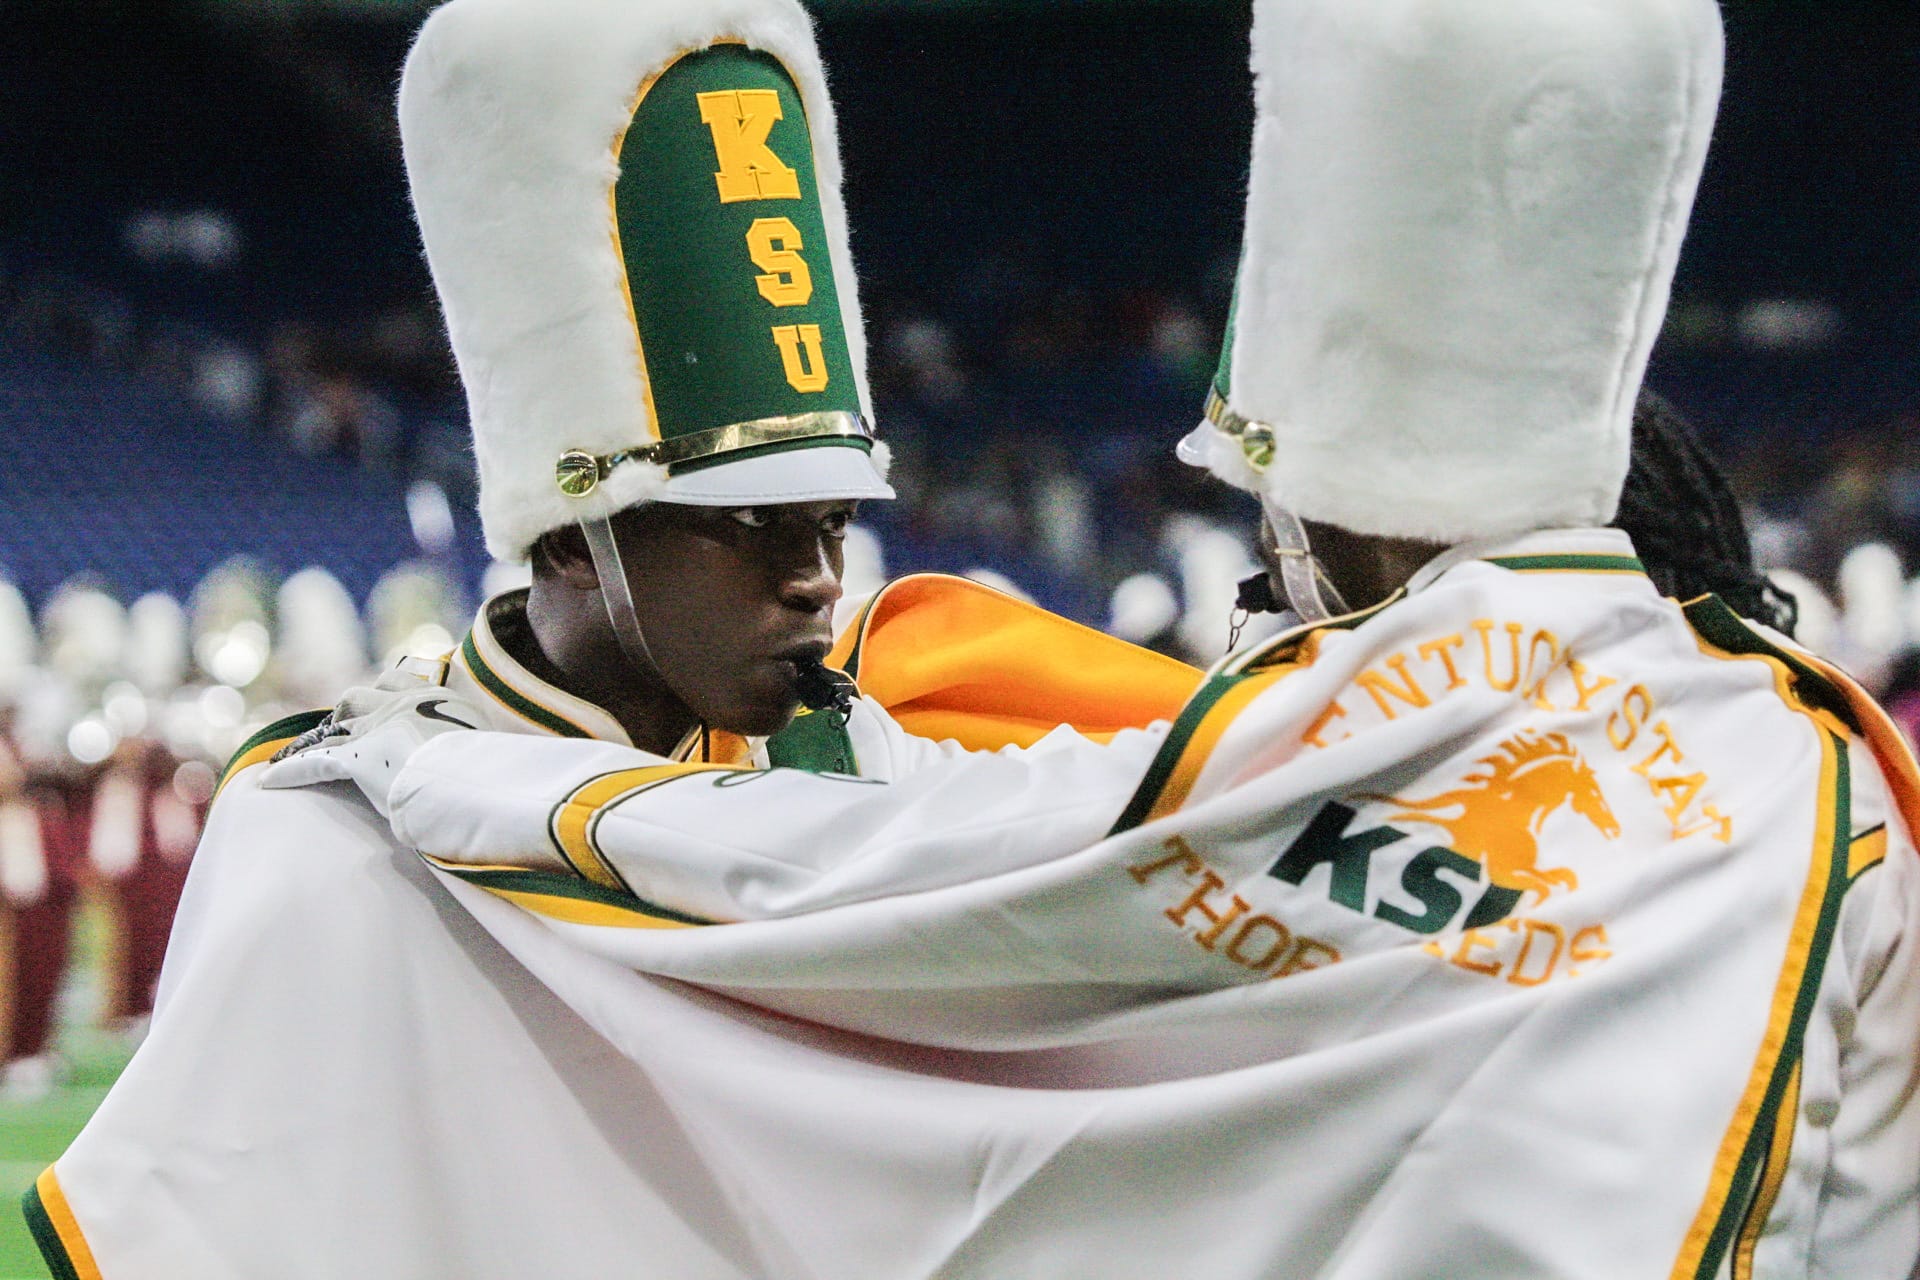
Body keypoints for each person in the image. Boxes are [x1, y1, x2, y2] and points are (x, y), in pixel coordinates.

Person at [264, 0, 1920, 1276]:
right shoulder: (1823, 759)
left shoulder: (1361, 716)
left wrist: (432, 773)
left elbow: (877, 885)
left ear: (1325, 503)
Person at [25, 1, 1193, 1274]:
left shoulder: (853, 755)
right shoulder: (330, 852)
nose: (815, 580)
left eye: (834, 522)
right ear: (576, 534)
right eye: (749, 523)